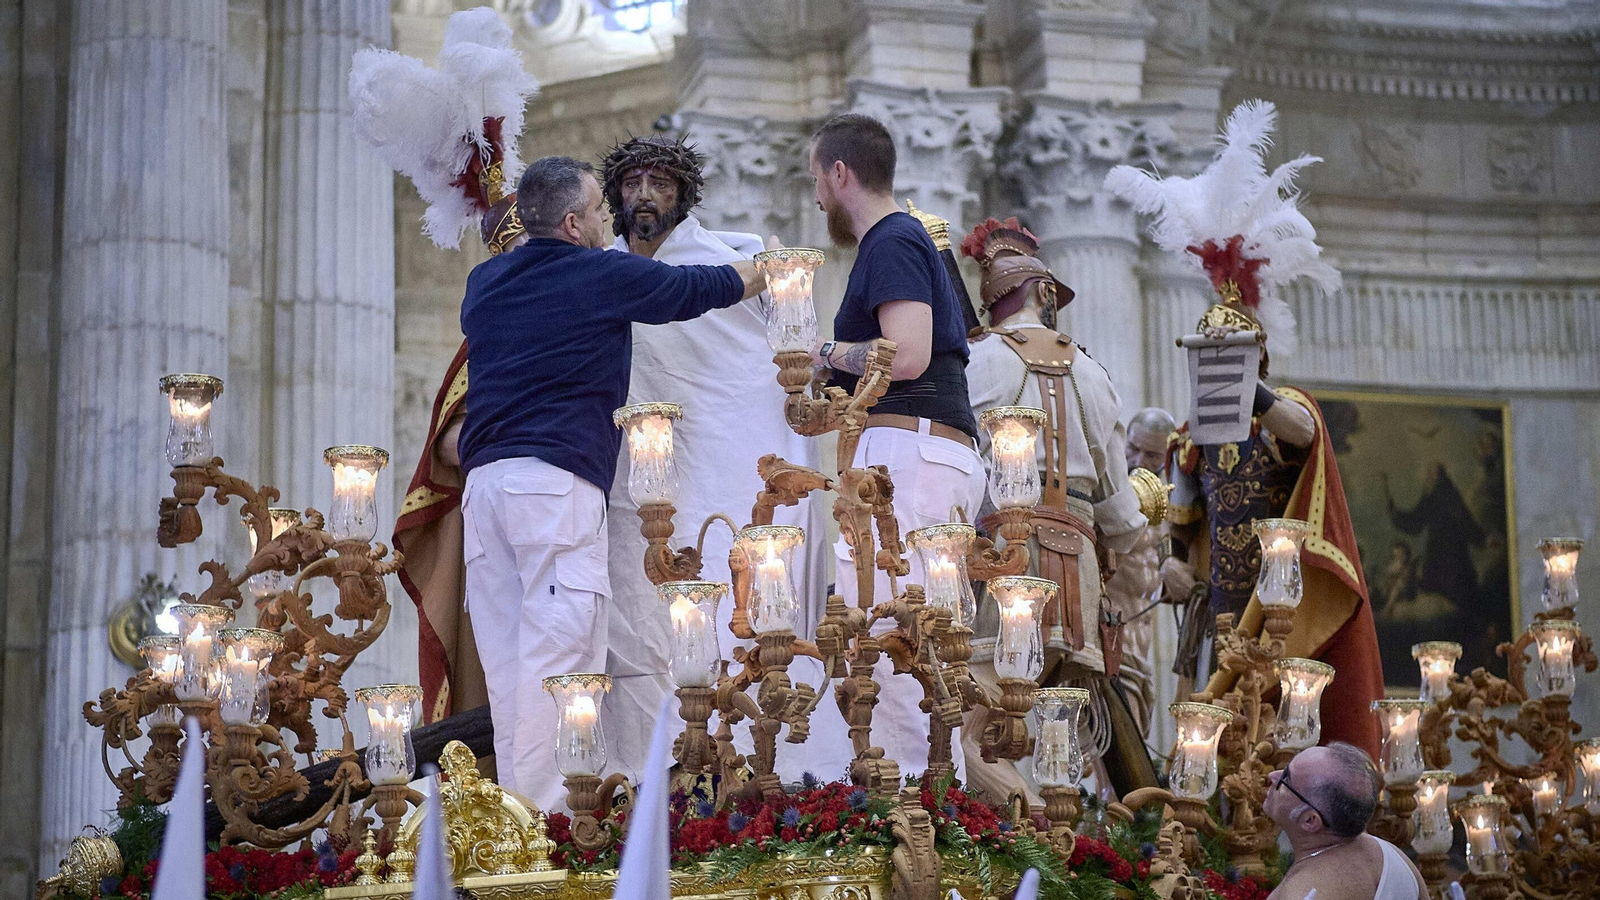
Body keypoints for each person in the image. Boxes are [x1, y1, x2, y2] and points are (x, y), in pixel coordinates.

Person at [457, 155, 765, 811]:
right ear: (572, 224)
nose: (608, 221)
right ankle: (545, 833)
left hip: (484, 494)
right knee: (562, 663)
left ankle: (514, 821)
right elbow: (691, 290)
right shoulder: (594, 272)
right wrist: (769, 270)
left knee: (511, 671)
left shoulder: (483, 285)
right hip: (552, 491)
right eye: (600, 210)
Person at [1106, 100, 1385, 760]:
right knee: (1203, 738)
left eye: (1228, 357)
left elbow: (1305, 436)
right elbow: (1182, 513)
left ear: (1257, 359)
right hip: (1213, 607)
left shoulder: (1283, 410)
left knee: (1276, 734)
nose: (1213, 373)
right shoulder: (1189, 439)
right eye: (1205, 359)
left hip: (1276, 607)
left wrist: (1244, 385)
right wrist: (1174, 563)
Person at [598, 134, 826, 782]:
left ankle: (744, 772)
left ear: (684, 194)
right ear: (616, 193)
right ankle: (640, 785)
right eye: (634, 182)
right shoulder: (602, 267)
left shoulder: (740, 259)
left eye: (660, 183)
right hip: (637, 486)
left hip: (725, 462)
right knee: (638, 631)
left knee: (737, 610)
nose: (645, 194)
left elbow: (796, 350)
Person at [803, 113, 987, 781]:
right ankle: (927, 802)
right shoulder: (896, 240)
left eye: (816, 178)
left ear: (841, 173)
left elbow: (904, 355)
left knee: (898, 639)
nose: (816, 195)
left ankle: (917, 817)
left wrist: (822, 352)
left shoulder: (892, 238)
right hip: (918, 454)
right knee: (908, 642)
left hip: (910, 457)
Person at [961, 216, 1156, 801]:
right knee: (1053, 738)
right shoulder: (1093, 371)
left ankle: (1025, 847)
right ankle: (1057, 851)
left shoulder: (977, 361)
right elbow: (1121, 517)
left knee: (966, 729)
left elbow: (958, 471)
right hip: (1081, 581)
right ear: (1044, 294)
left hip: (1004, 560)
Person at [1264, 743, 1427, 900]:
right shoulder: (1394, 857)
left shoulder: (1304, 889)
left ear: (1310, 820)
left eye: (1286, 778)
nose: (1273, 776)